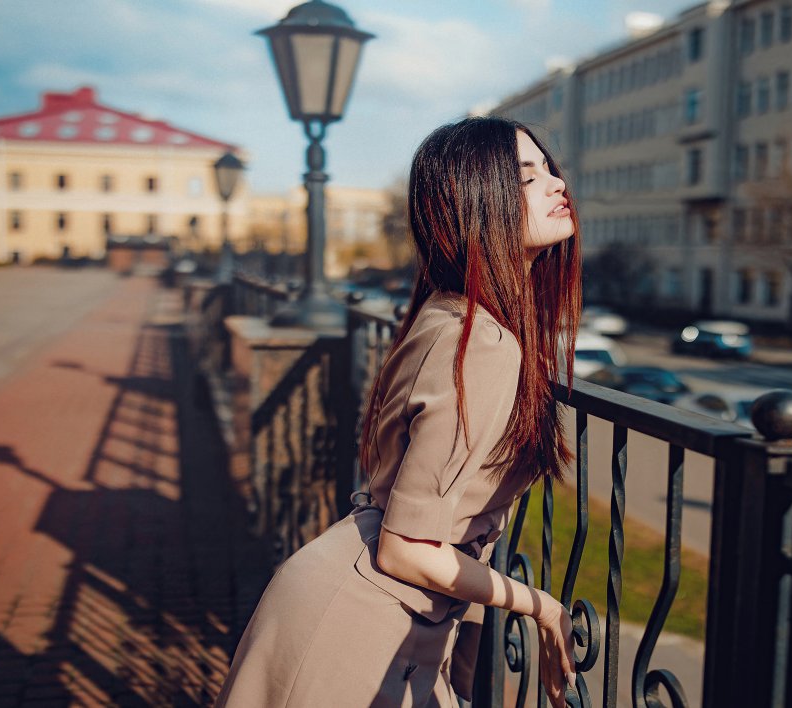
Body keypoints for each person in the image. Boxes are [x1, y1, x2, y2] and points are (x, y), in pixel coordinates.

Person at [215, 117, 582, 707]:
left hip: (383, 612)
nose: (557, 184)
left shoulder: (452, 315)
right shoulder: (479, 340)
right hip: (359, 625)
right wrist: (542, 607)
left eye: (550, 169)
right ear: (475, 203)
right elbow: (406, 547)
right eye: (526, 176)